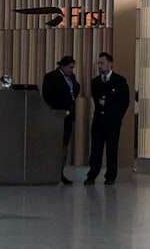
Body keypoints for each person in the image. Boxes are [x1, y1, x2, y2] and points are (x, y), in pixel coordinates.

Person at [85, 52, 130, 186]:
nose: (100, 66)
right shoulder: (96, 82)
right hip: (99, 121)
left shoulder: (120, 81)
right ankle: (92, 174)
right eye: (98, 63)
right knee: (96, 149)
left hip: (112, 122)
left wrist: (117, 118)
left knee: (112, 149)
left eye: (102, 63)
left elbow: (124, 102)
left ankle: (110, 176)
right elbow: (97, 100)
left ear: (110, 64)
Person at [42, 55, 80, 185]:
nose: (71, 70)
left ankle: (60, 172)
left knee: (64, 145)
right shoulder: (51, 77)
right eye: (69, 68)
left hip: (68, 116)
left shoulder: (72, 78)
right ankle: (50, 172)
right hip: (57, 115)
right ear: (62, 66)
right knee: (54, 145)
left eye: (73, 68)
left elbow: (75, 90)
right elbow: (47, 96)